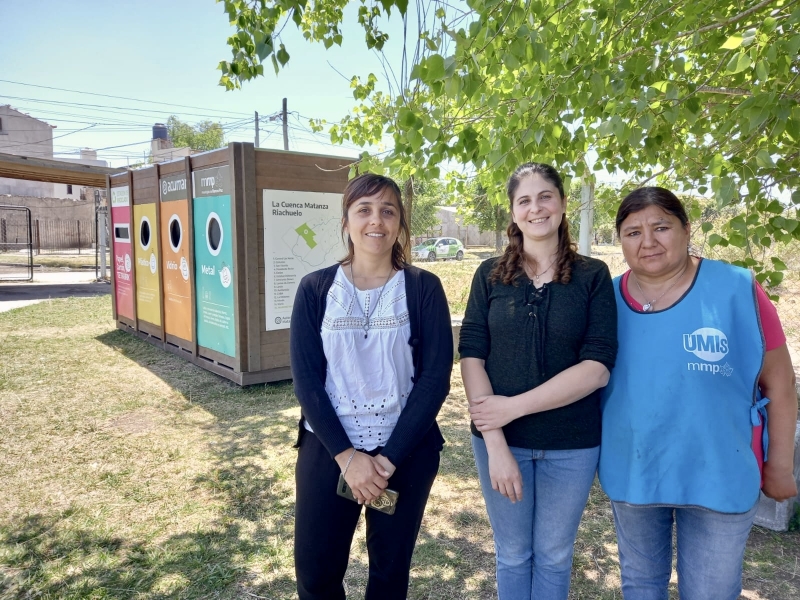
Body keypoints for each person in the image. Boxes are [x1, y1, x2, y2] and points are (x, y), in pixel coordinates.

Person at [599, 186, 798, 600]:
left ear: (687, 229)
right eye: (633, 232)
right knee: (640, 587)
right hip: (634, 471)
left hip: (719, 473)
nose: (648, 242)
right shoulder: (604, 300)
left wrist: (780, 465)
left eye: (661, 227)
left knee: (711, 592)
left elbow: (779, 381)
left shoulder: (737, 289)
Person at [289, 173, 453, 600]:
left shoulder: (423, 289)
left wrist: (386, 460)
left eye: (387, 210)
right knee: (316, 572)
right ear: (346, 221)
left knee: (389, 573)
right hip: (329, 451)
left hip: (405, 454)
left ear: (400, 223)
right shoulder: (316, 289)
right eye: (364, 209)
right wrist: (348, 458)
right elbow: (307, 381)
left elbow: (435, 380)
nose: (375, 220)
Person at [460, 162, 618, 600]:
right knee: (512, 554)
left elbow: (598, 365)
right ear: (513, 213)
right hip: (499, 441)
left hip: (572, 443)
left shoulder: (593, 275)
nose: (536, 208)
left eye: (545, 196)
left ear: (563, 204)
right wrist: (495, 442)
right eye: (524, 200)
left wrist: (514, 406)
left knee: (552, 554)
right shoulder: (489, 275)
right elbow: (471, 355)